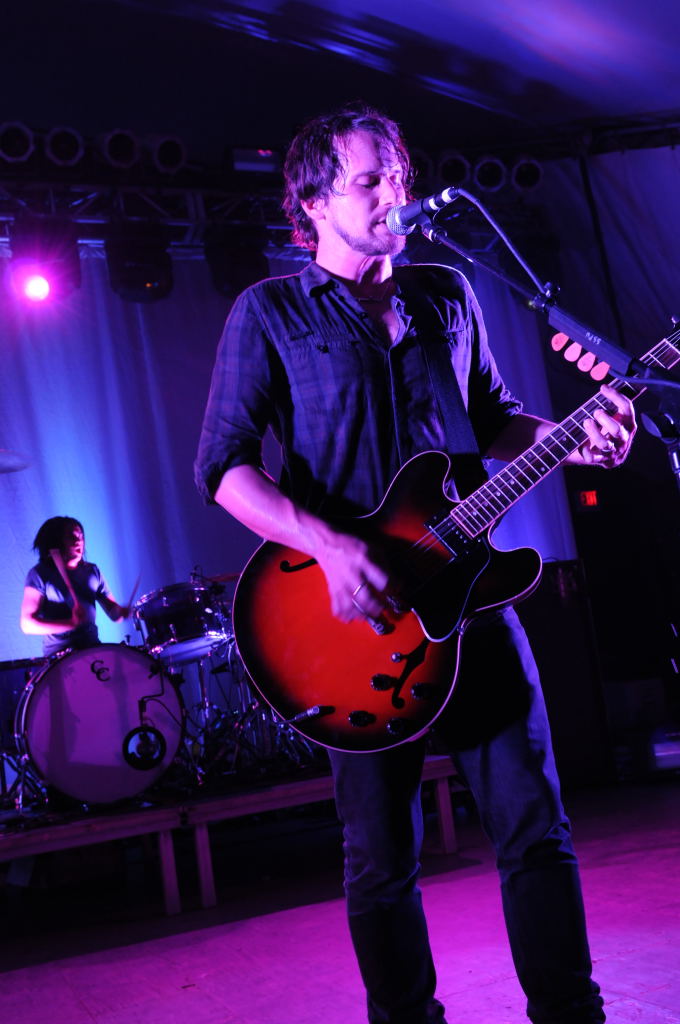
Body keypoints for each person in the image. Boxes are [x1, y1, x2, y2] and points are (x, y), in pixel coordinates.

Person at [194, 104, 637, 1024]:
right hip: (352, 626)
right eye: (369, 180)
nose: (392, 194)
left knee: (537, 830)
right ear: (314, 201)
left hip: (471, 603)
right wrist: (330, 545)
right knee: (381, 859)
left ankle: (571, 1012)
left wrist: (575, 440)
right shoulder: (270, 312)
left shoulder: (446, 295)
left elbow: (497, 421)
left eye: (398, 176)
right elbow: (223, 468)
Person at [20, 516, 130, 656]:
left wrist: (122, 612)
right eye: (72, 536)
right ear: (57, 540)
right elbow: (27, 624)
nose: (79, 541)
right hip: (60, 657)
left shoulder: (92, 571)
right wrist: (70, 623)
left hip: (93, 651)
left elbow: (114, 615)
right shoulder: (40, 574)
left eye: (81, 536)